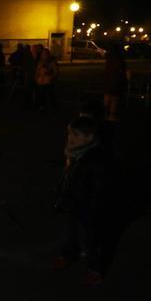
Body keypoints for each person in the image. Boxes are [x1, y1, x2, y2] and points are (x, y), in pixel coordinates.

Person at [53, 115, 110, 285]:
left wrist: (93, 208)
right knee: (68, 232)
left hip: (86, 209)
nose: (70, 138)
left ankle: (94, 269)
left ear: (89, 137)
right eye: (70, 134)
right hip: (72, 204)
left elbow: (99, 189)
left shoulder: (95, 160)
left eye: (76, 135)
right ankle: (67, 254)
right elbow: (69, 177)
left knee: (89, 240)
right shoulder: (75, 152)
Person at [103, 44, 128, 121]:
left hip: (108, 81)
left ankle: (104, 114)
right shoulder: (120, 60)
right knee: (114, 99)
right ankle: (111, 115)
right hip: (116, 82)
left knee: (107, 97)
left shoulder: (109, 59)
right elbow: (122, 72)